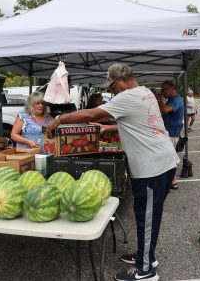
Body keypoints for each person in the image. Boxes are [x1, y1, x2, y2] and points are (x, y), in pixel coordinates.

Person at [46, 63, 179, 281]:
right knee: (150, 215)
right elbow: (138, 123)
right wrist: (109, 128)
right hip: (164, 161)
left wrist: (59, 120)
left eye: (113, 85)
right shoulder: (145, 92)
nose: (112, 91)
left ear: (124, 79)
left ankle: (145, 270)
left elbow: (91, 113)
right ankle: (147, 256)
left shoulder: (126, 97)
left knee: (146, 217)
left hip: (151, 167)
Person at [156, 80, 184, 190]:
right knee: (169, 156)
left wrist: (158, 98)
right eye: (162, 90)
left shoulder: (177, 100)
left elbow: (166, 110)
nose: (163, 92)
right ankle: (171, 180)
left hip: (172, 133)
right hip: (168, 132)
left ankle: (172, 181)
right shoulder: (171, 100)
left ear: (172, 88)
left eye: (165, 89)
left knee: (170, 157)